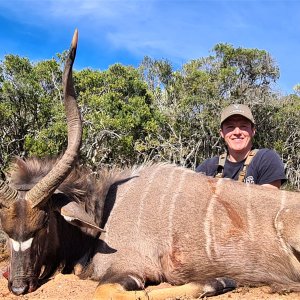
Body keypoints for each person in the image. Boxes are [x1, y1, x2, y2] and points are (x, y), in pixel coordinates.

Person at [196, 104, 286, 189]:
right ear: (222, 133)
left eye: (243, 126)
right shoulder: (208, 166)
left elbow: (267, 200)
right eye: (230, 127)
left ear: (253, 131)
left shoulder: (266, 159)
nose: (237, 132)